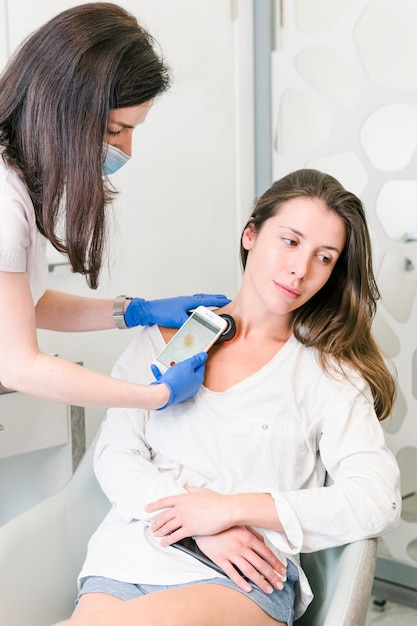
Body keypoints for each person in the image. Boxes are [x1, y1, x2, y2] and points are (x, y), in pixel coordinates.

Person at [56, 169, 401, 626]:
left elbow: (378, 499)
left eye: (324, 257)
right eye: (291, 241)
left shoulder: (328, 372)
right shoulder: (166, 336)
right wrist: (197, 529)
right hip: (130, 557)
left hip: (240, 575)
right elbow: (117, 453)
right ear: (251, 234)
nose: (301, 269)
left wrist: (227, 510)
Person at [0, 3, 230, 411]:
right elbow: (18, 365)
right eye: (114, 130)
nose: (125, 150)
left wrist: (134, 311)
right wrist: (155, 396)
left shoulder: (18, 177)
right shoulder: (5, 198)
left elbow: (25, 303)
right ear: (62, 108)